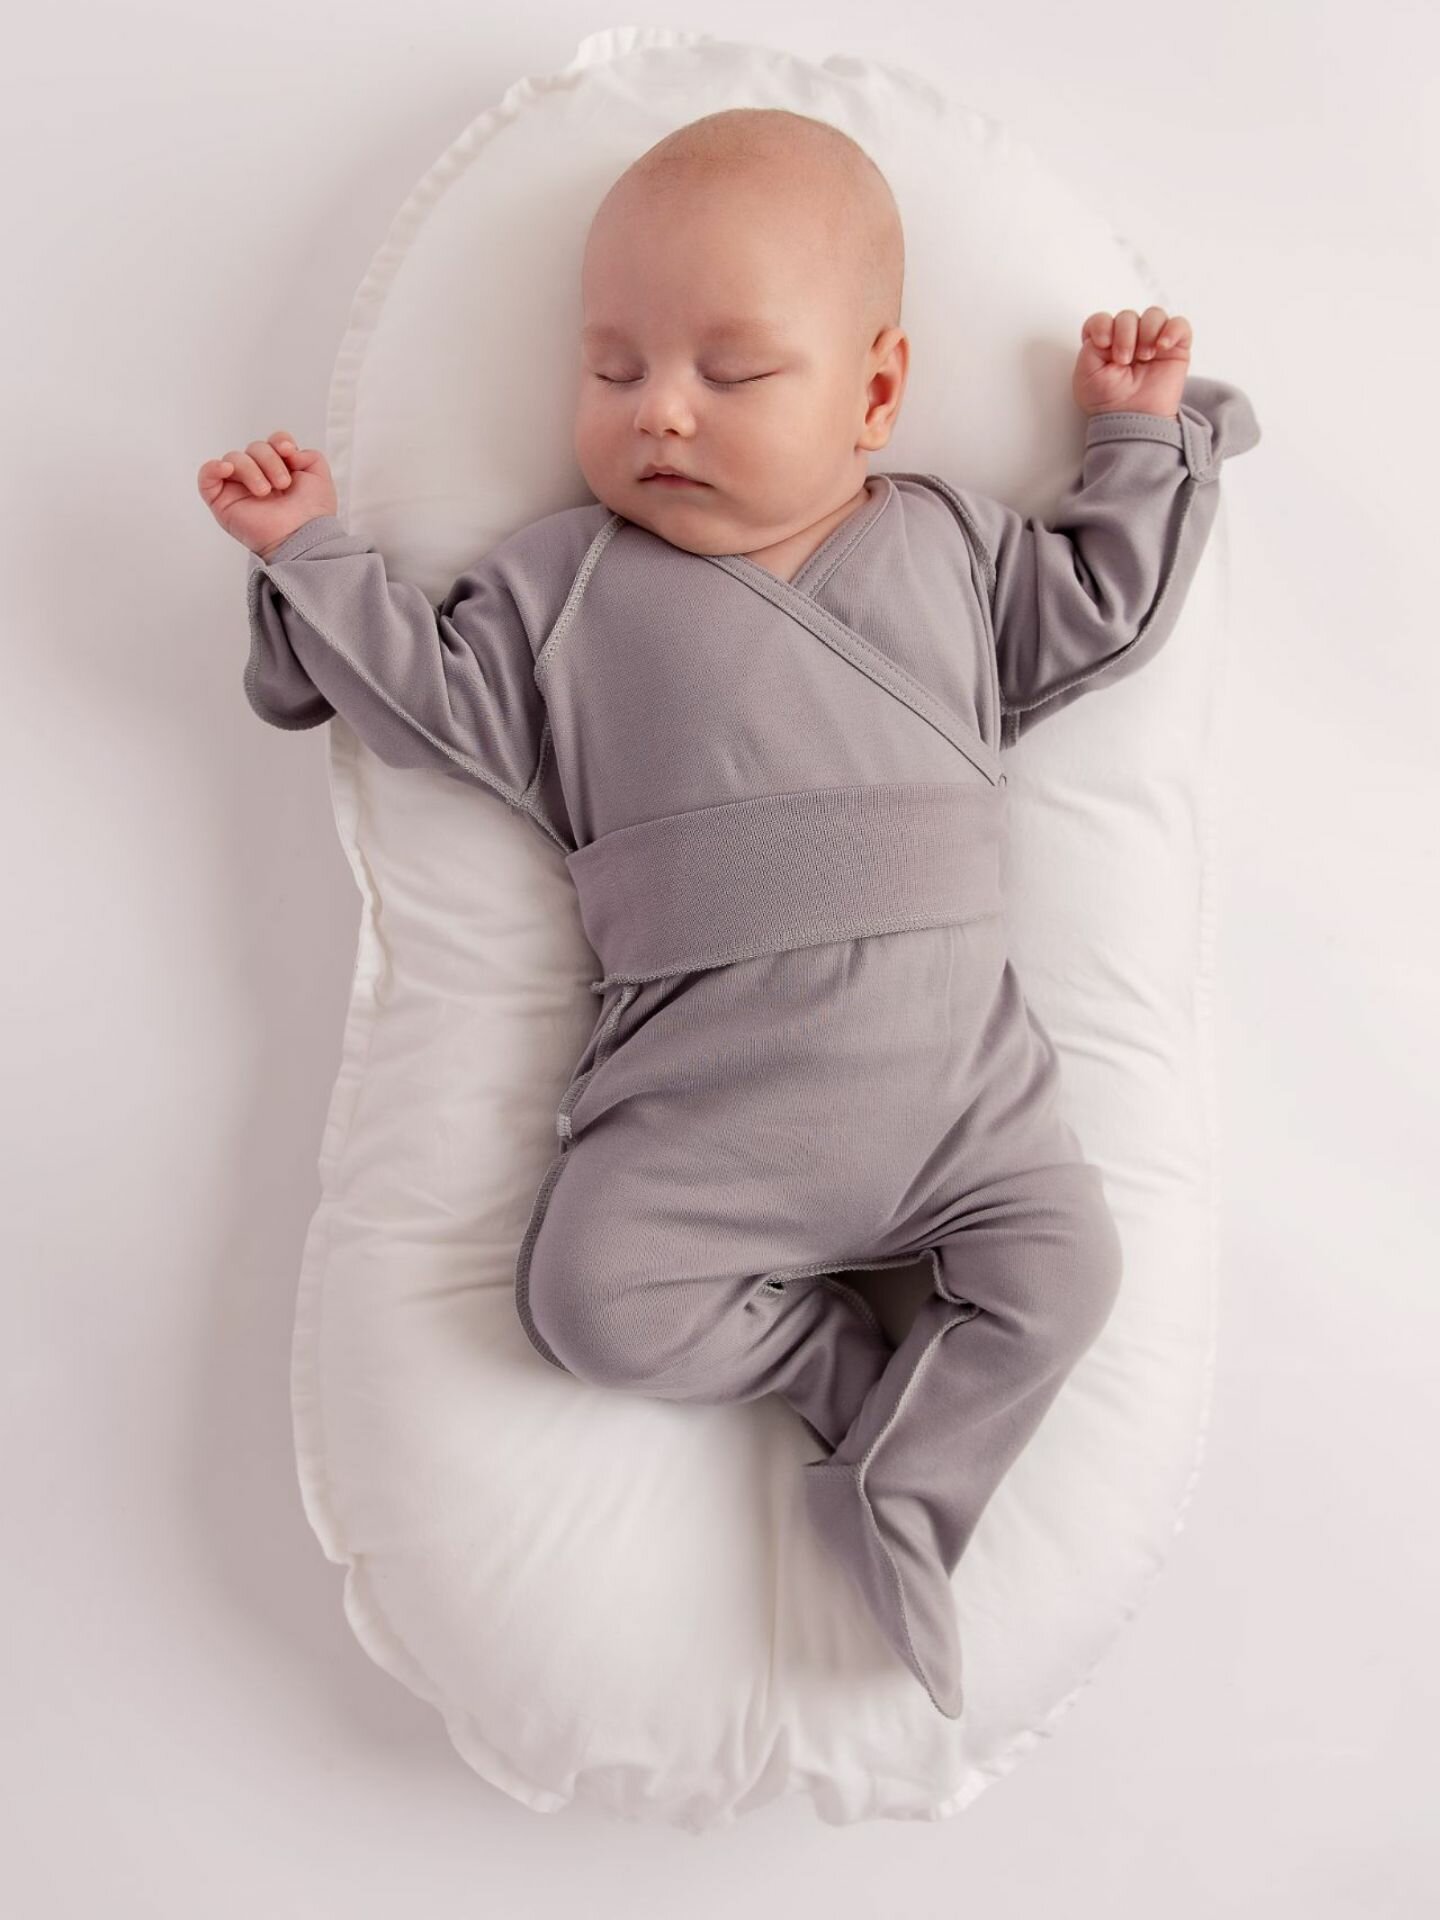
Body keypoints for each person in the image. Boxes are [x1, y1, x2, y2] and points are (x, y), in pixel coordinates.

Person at [196, 107, 1260, 1718]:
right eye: (612, 368)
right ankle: (835, 1368)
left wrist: (1131, 440)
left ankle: (907, 1484)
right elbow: (423, 703)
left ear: (876, 395)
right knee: (585, 1305)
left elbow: (1103, 611)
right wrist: (310, 554)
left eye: (733, 371)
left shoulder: (950, 549)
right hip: (701, 1129)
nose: (661, 412)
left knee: (1068, 1274)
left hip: (968, 1120)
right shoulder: (562, 589)